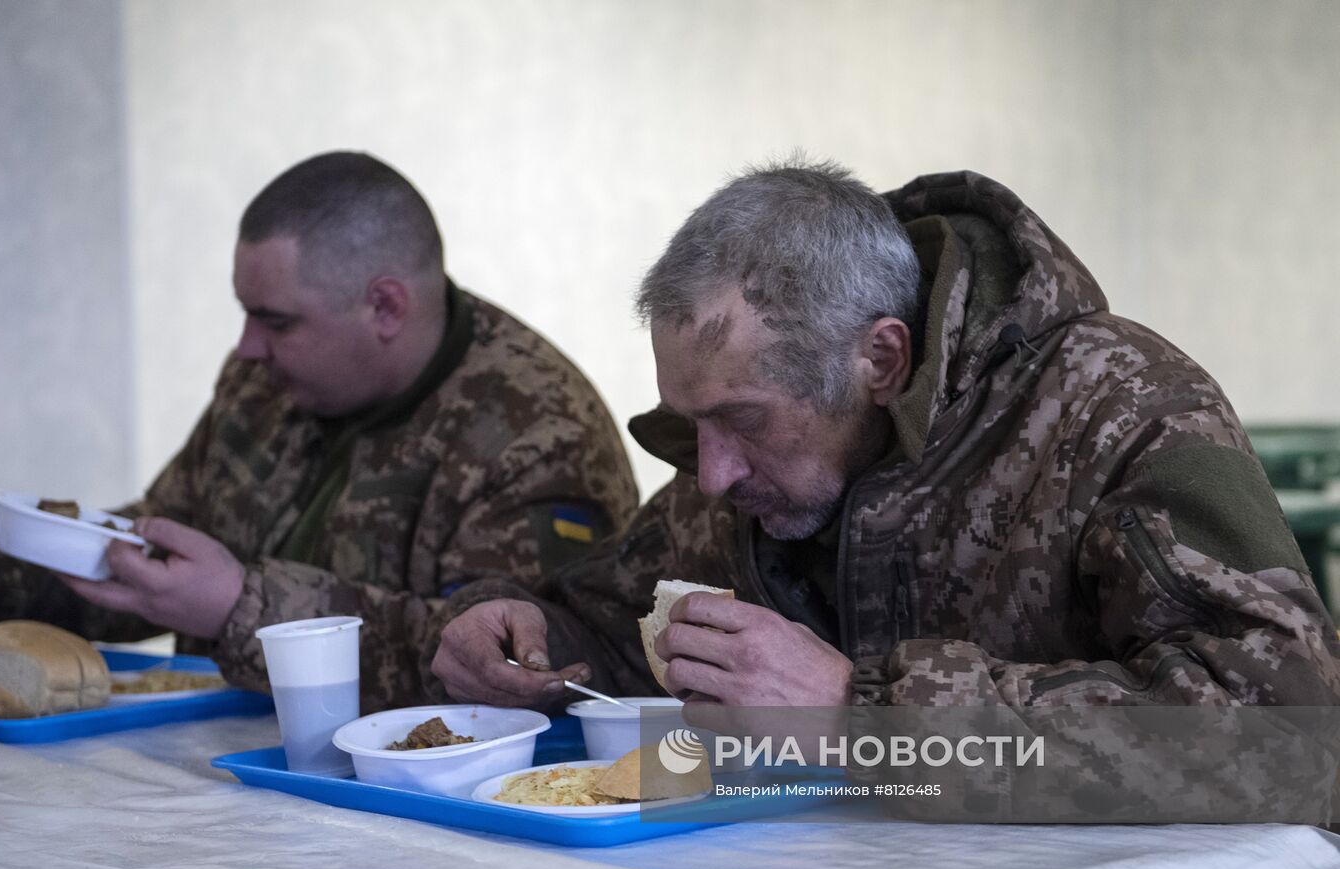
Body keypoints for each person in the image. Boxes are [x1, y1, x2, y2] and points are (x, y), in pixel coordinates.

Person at [429, 160, 1340, 716]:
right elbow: (617, 626)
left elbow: (1290, 720)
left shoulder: (1117, 406)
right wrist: (526, 631)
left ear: (881, 358)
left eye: (741, 420)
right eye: (692, 424)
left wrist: (858, 712)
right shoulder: (756, 461)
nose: (710, 476)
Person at [0, 151, 637, 713]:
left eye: (275, 320)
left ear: (385, 307)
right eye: (246, 314)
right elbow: (160, 544)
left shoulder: (537, 430)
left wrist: (240, 607)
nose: (247, 347)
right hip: (227, 774)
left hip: (424, 815)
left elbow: (504, 672)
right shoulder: (263, 382)